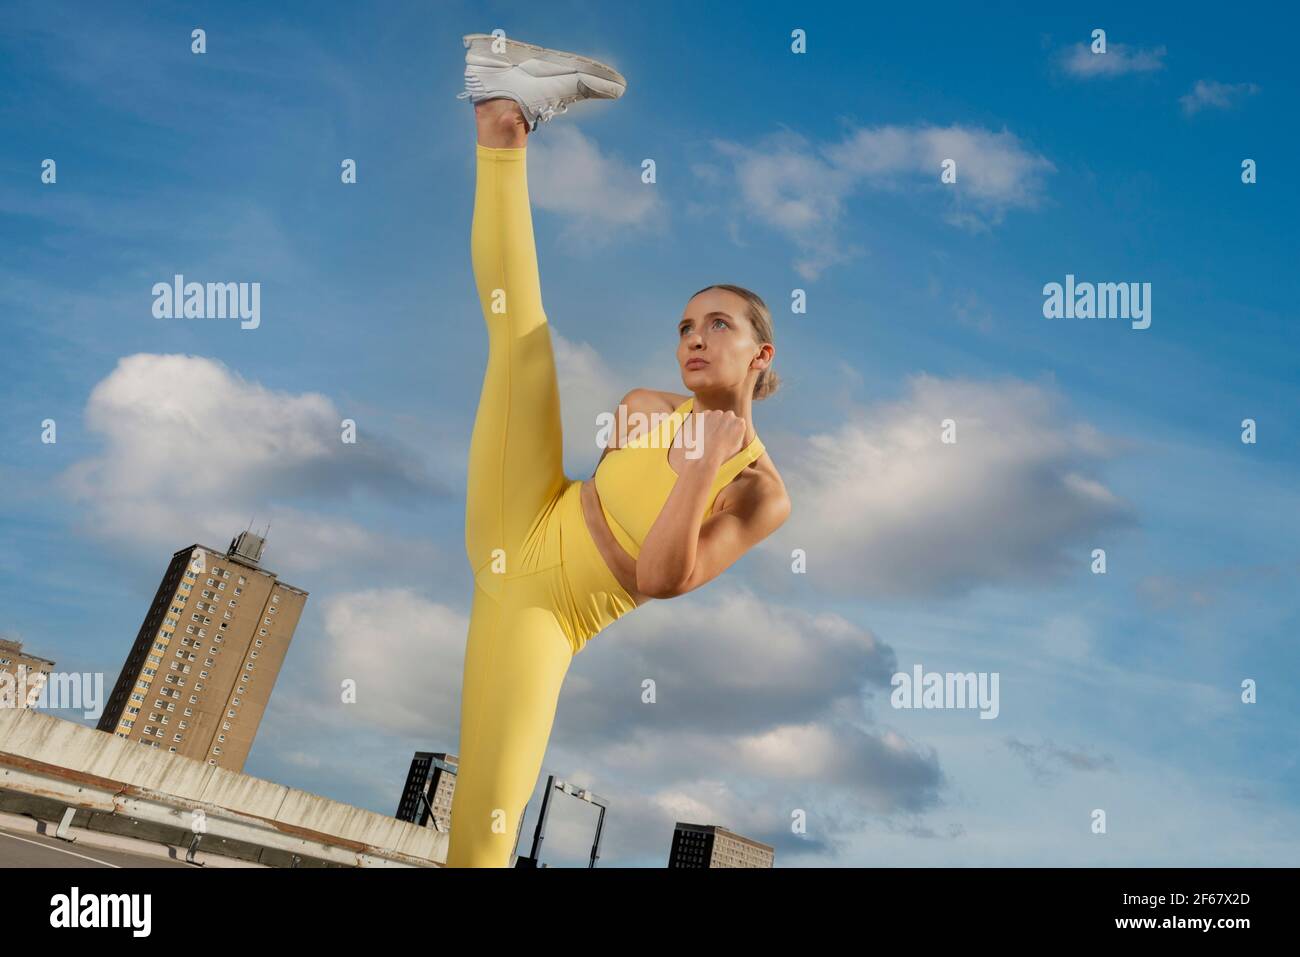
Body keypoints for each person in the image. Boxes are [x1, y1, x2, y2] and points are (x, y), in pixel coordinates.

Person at [447, 32, 791, 867]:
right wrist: (667, 439)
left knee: (487, 820)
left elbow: (659, 578)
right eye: (684, 326)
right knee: (521, 338)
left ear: (761, 354)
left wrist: (704, 464)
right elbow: (606, 481)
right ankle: (504, 121)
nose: (694, 337)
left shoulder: (759, 491)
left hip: (549, 611)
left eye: (719, 323)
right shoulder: (647, 403)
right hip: (527, 507)